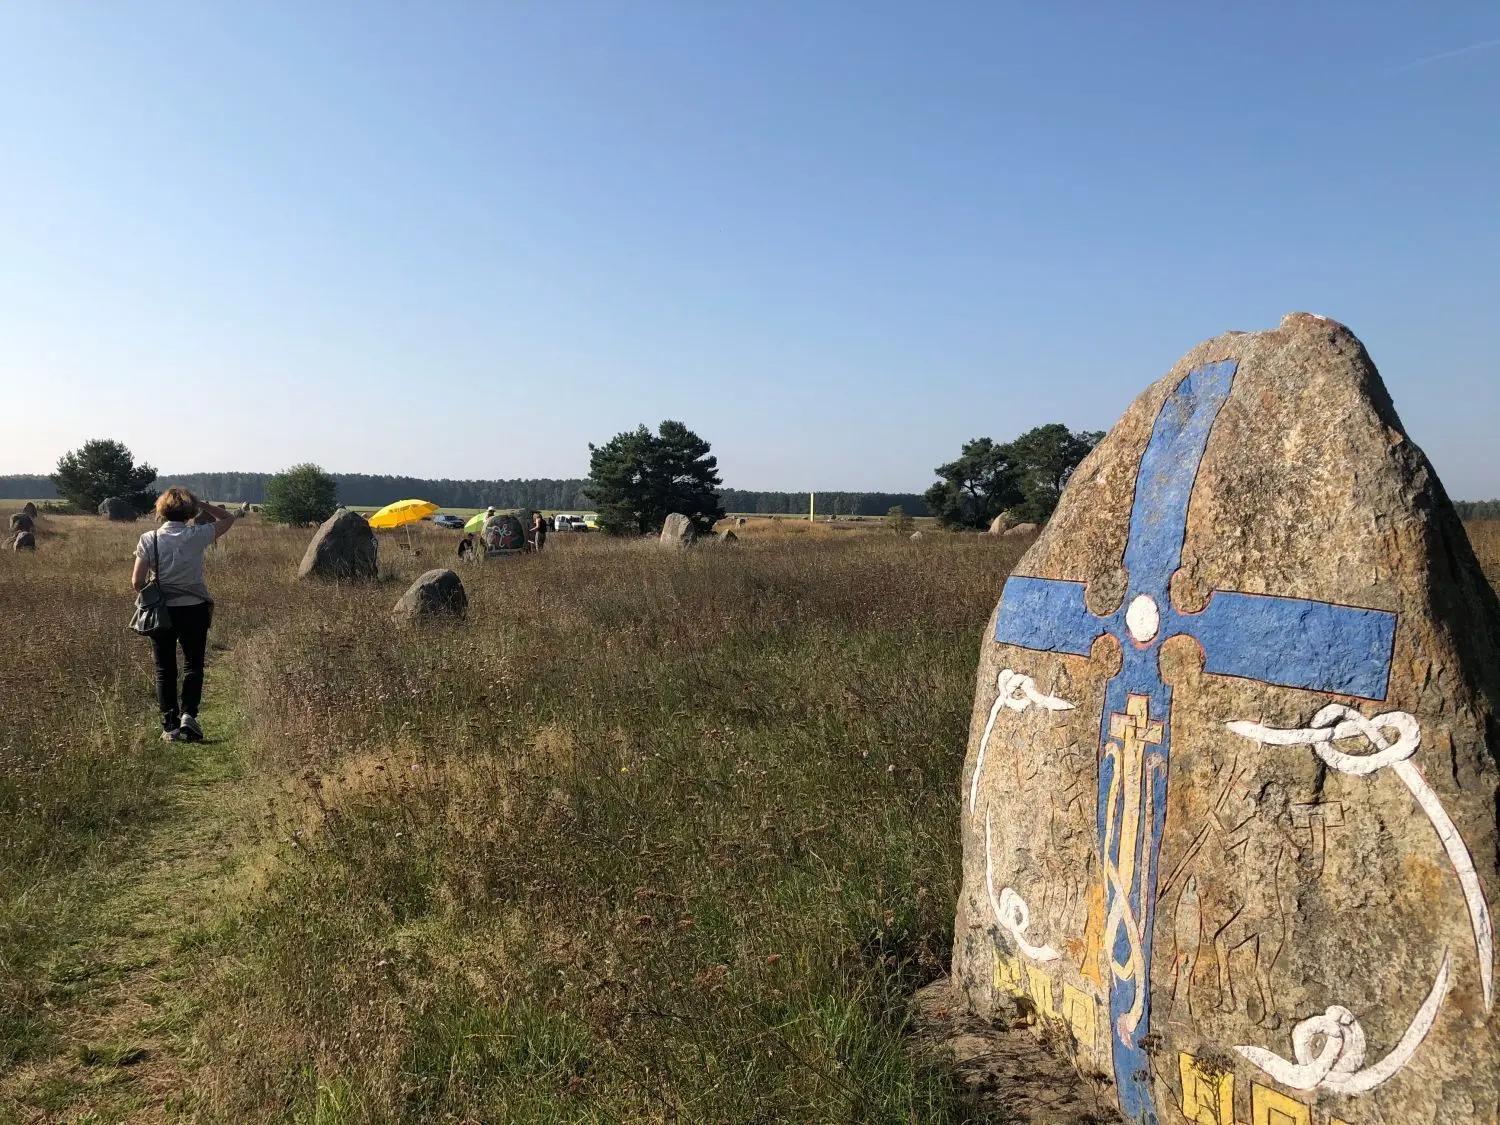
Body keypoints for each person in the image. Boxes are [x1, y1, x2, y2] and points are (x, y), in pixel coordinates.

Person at [131, 488, 236, 742]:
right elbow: (228, 519)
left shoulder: (149, 539)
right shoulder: (198, 534)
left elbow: (137, 582)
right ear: (189, 511)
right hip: (194, 608)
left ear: (161, 510)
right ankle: (189, 716)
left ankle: (170, 726)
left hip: (161, 610)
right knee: (193, 664)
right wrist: (202, 505)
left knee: (164, 669)